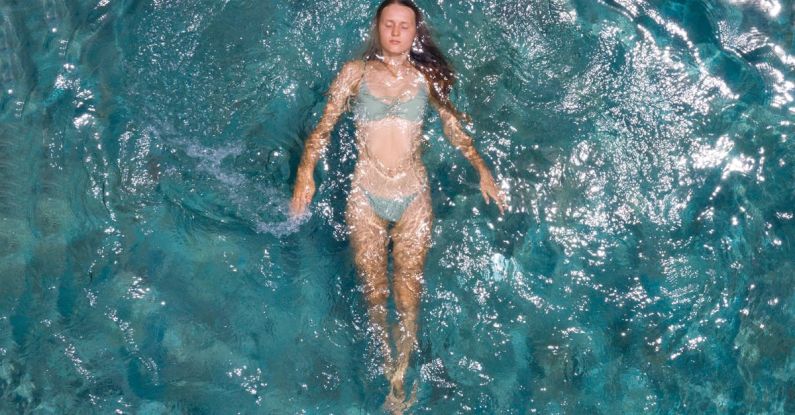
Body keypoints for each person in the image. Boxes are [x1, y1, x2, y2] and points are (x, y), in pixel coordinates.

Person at [289, 0, 506, 412]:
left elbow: (453, 129)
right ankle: (385, 360)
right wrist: (305, 172)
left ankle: (400, 375)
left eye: (403, 26)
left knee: (408, 294)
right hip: (365, 194)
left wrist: (481, 167)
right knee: (375, 292)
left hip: (413, 197)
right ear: (378, 28)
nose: (395, 31)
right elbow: (324, 126)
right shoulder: (354, 74)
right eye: (388, 24)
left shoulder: (427, 78)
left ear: (414, 33)